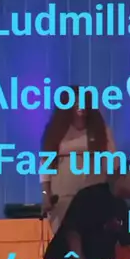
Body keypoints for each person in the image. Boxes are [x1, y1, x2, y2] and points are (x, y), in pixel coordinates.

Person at [40, 86, 118, 232]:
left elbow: (113, 163)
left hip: (93, 197)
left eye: (84, 102)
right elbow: (45, 166)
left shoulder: (101, 131)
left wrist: (112, 195)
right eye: (76, 102)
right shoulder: (55, 132)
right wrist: (46, 195)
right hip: (63, 197)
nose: (81, 106)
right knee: (67, 238)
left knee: (92, 237)